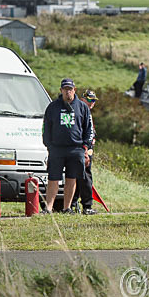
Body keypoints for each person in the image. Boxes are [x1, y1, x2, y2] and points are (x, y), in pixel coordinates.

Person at [42, 78, 93, 214]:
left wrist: (85, 148)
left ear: (74, 90)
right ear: (61, 90)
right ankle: (48, 208)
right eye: (65, 89)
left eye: (70, 89)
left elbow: (89, 129)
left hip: (76, 148)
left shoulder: (82, 107)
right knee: (53, 178)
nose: (68, 92)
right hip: (57, 149)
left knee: (72, 178)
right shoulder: (53, 107)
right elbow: (46, 128)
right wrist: (49, 146)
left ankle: (67, 207)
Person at [71, 90, 97, 215]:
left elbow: (90, 132)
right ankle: (86, 205)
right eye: (90, 100)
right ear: (83, 99)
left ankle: (75, 203)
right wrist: (85, 148)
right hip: (81, 148)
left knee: (81, 176)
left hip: (87, 148)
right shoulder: (79, 110)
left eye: (94, 100)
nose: (92, 103)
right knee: (83, 177)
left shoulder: (87, 112)